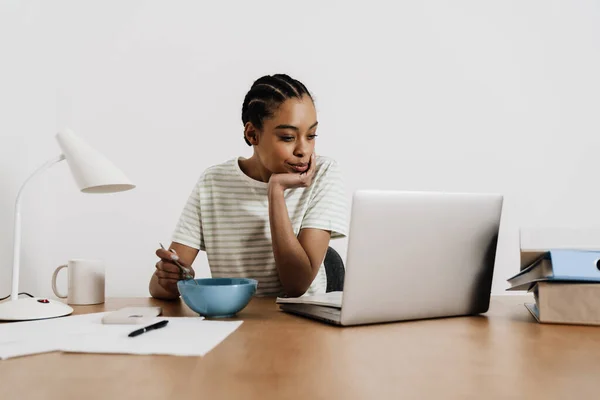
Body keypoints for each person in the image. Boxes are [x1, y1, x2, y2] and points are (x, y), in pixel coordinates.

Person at [149, 73, 348, 300]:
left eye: (311, 135)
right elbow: (157, 288)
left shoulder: (323, 173)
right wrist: (174, 279)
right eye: (287, 137)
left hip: (301, 323)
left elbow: (296, 286)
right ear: (252, 134)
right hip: (237, 322)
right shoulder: (213, 182)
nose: (304, 150)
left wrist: (276, 191)